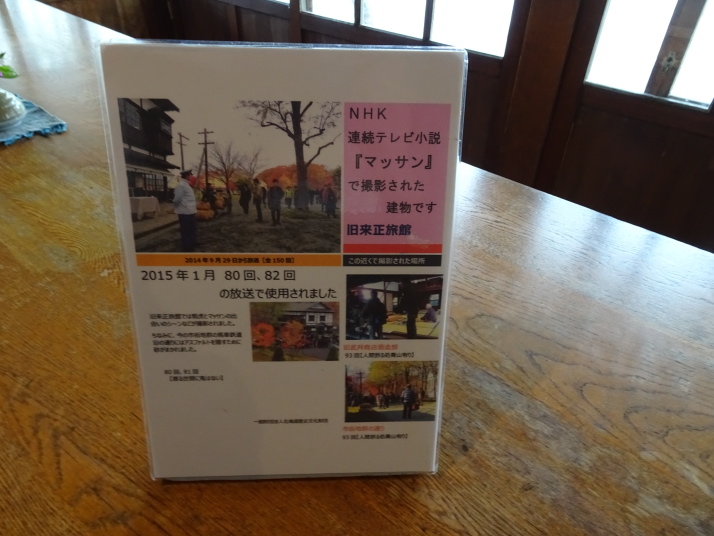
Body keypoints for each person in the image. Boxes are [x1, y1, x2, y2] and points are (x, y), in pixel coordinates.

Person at [173, 169, 197, 252]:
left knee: (191, 229)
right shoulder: (181, 185)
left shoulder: (187, 185)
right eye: (190, 175)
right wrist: (176, 207)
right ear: (187, 176)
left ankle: (192, 243)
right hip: (185, 212)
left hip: (191, 211)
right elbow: (176, 199)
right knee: (186, 231)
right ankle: (187, 247)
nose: (191, 176)